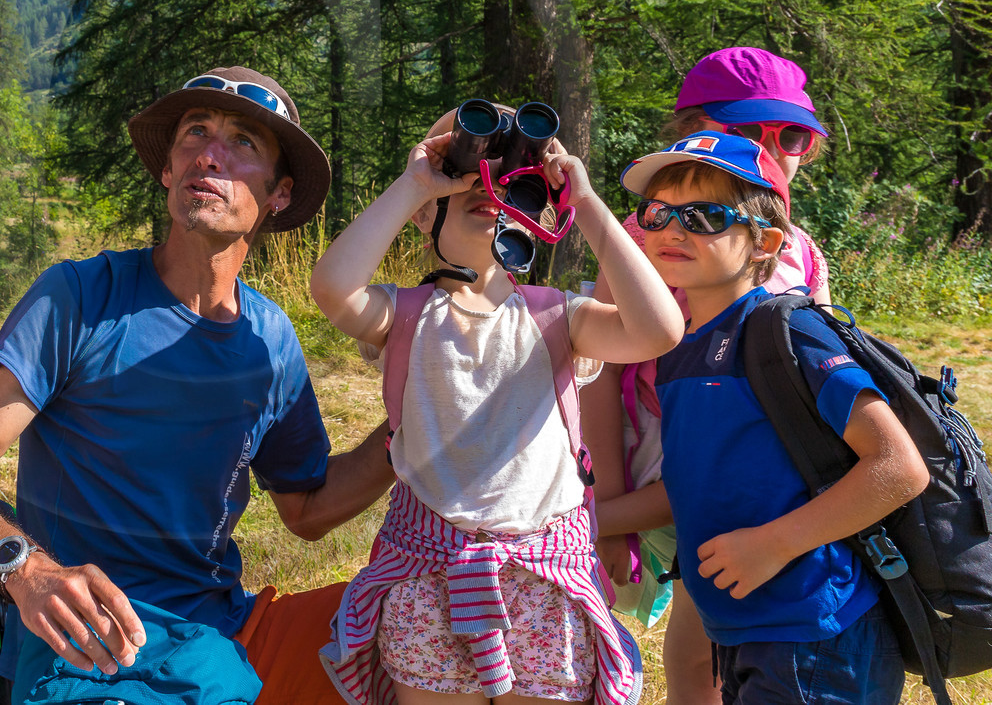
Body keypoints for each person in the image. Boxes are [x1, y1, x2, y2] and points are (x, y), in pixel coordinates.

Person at [0, 67, 395, 704]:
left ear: (278, 195)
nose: (209, 153)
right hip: (87, 647)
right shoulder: (82, 298)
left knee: (429, 626)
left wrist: (414, 428)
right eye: (195, 133)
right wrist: (27, 573)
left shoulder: (270, 340)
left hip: (221, 636)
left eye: (243, 143)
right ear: (168, 171)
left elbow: (305, 509)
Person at [309, 109, 685, 705]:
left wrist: (583, 201)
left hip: (544, 581)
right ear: (427, 217)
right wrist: (416, 184)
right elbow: (331, 287)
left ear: (538, 221)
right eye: (470, 185)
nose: (489, 195)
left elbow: (660, 330)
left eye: (514, 189)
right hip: (426, 574)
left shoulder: (561, 317)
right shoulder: (404, 315)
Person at [620, 131, 928, 705]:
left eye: (706, 216)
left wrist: (776, 543)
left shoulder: (787, 333)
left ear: (765, 243)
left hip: (815, 631)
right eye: (658, 212)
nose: (672, 230)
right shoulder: (676, 347)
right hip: (742, 628)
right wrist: (580, 523)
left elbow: (899, 466)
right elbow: (691, 483)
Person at [582, 46, 833, 704]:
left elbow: (823, 384)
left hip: (748, 483)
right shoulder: (653, 238)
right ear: (695, 129)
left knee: (703, 654)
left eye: (794, 135)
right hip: (654, 469)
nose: (776, 150)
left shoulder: (800, 253)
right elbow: (601, 374)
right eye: (749, 130)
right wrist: (609, 511)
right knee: (590, 633)